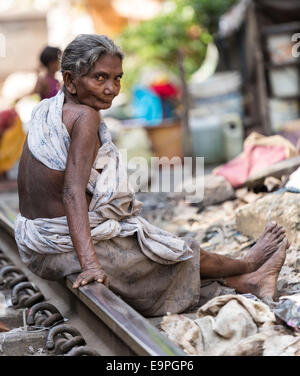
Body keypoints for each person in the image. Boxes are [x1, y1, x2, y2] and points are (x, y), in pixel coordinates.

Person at [14, 34, 290, 317]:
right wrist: (91, 265)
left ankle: (247, 279)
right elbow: (72, 191)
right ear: (71, 81)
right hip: (61, 248)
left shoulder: (48, 109)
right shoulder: (85, 117)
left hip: (36, 243)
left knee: (157, 243)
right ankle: (247, 265)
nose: (111, 88)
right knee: (176, 251)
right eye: (100, 78)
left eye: (117, 78)